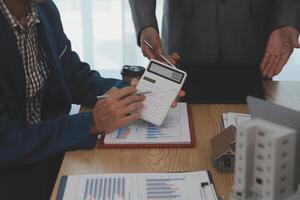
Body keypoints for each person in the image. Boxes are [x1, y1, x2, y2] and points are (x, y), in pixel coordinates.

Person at [0, 0, 184, 199]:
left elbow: (74, 77)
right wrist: (91, 123)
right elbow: (6, 143)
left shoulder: (43, 10)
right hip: (13, 175)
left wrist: (139, 92)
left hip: (52, 155)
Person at [129, 0, 300, 78]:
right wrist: (146, 24)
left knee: (256, 133)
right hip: (185, 34)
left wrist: (287, 20)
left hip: (254, 35)